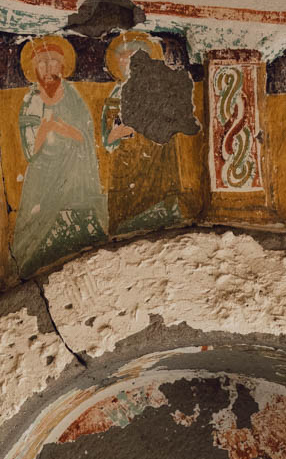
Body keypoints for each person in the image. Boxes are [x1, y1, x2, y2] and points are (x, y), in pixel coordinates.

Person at [10, 35, 106, 277]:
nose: (48, 68)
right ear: (34, 69)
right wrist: (45, 129)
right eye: (42, 63)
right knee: (35, 236)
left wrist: (59, 128)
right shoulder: (31, 100)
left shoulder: (73, 97)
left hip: (74, 175)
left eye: (53, 62)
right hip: (41, 178)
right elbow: (30, 151)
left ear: (63, 67)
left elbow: (85, 136)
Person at [101, 31, 186, 235]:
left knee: (159, 204)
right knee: (122, 213)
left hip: (156, 162)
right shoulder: (114, 95)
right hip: (124, 165)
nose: (130, 62)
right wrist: (118, 134)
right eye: (125, 57)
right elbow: (107, 140)